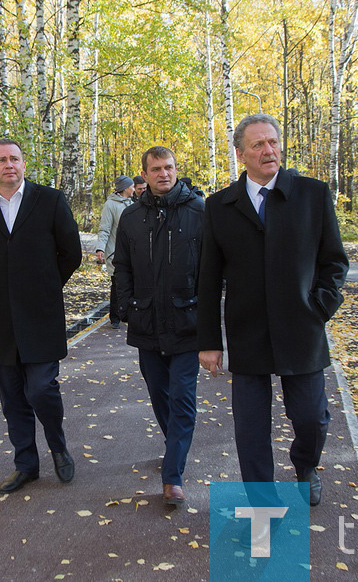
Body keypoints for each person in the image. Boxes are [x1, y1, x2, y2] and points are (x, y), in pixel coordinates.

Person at [196, 113, 349, 509]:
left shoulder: (313, 195)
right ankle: (262, 503)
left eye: (273, 142)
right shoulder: (219, 206)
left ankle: (306, 466)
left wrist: (318, 307)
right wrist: (209, 341)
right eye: (258, 145)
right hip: (248, 333)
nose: (269, 150)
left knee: (311, 418)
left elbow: (334, 262)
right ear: (241, 154)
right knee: (251, 430)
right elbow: (208, 280)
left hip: (302, 329)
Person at [0, 139, 83, 493]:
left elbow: (71, 252)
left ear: (24, 164)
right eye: (1, 160)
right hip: (1, 319)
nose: (8, 165)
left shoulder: (50, 201)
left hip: (42, 315)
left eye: (14, 158)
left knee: (42, 388)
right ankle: (26, 464)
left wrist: (45, 286)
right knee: (12, 396)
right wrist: (5, 290)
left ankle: (58, 447)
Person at [113, 146, 205, 506]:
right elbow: (123, 267)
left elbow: (214, 270)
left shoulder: (200, 212)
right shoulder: (132, 218)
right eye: (155, 169)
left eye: (168, 167)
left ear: (176, 170)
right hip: (146, 322)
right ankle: (175, 450)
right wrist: (126, 307)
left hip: (187, 323)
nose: (163, 174)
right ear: (145, 174)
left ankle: (173, 476)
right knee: (159, 394)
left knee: (182, 397)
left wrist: (208, 312)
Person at [94, 175, 135, 328]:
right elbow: (104, 228)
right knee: (117, 285)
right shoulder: (110, 205)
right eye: (131, 186)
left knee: (132, 283)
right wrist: (100, 248)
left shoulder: (132, 203)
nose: (133, 188)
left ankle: (129, 314)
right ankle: (115, 318)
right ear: (125, 188)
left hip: (132, 252)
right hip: (115, 253)